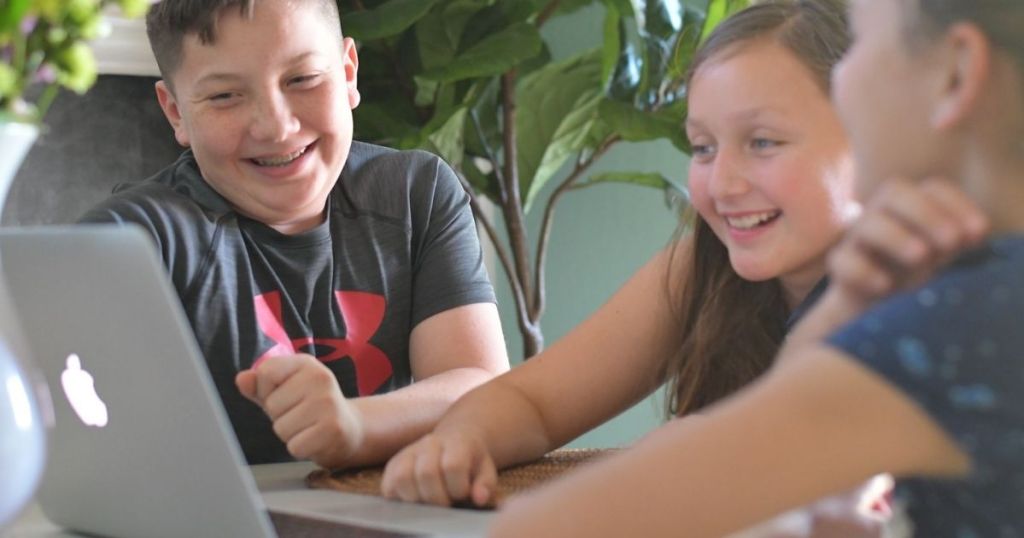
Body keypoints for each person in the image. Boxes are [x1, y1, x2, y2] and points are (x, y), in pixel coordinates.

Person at [478, 0, 1024, 536]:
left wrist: (689, 456)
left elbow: (539, 528)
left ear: (956, 72)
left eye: (863, 37)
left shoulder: (955, 321)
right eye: (703, 147)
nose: (846, 71)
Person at [382, 1, 883, 529]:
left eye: (762, 142)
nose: (724, 183)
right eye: (704, 147)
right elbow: (533, 401)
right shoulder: (701, 267)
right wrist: (461, 441)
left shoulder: (926, 292)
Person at [79, 0, 509, 468]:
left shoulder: (416, 194)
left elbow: (479, 386)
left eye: (301, 79)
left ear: (348, 74)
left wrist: (353, 423)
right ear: (176, 112)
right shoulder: (133, 241)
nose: (277, 127)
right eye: (224, 96)